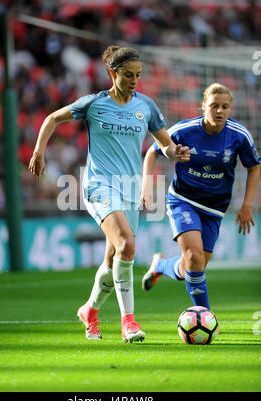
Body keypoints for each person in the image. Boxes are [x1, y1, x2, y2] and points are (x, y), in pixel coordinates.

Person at [29, 45, 190, 343]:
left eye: (138, 75)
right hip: (99, 186)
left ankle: (89, 311)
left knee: (114, 256)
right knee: (127, 244)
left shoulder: (147, 107)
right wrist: (39, 152)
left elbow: (164, 144)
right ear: (112, 73)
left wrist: (175, 152)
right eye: (128, 75)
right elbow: (52, 118)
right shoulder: (93, 103)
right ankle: (128, 321)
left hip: (129, 191)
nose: (134, 80)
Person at [142, 83, 260, 310]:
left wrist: (246, 205)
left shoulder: (239, 135)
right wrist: (147, 184)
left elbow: (254, 167)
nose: (220, 111)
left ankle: (160, 265)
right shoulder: (184, 131)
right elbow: (152, 152)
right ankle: (203, 315)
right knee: (194, 257)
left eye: (225, 107)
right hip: (183, 200)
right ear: (203, 106)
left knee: (192, 267)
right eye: (214, 106)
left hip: (215, 208)